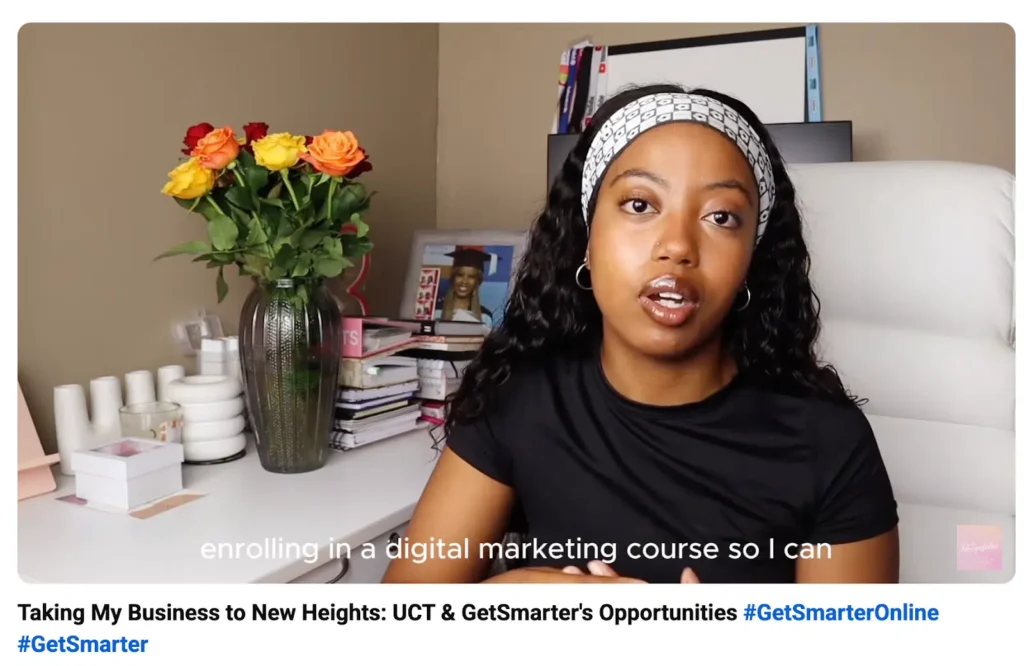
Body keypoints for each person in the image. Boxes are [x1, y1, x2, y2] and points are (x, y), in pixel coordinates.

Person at [384, 84, 899, 584]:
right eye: (639, 205)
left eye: (721, 217)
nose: (677, 245)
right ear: (586, 238)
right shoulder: (519, 398)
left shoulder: (828, 440)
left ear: (751, 260)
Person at [438, 246, 494, 327]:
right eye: (460, 275)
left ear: (478, 282)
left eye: (471, 277)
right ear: (453, 278)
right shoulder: (436, 311)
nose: (464, 281)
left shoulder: (485, 317)